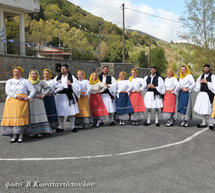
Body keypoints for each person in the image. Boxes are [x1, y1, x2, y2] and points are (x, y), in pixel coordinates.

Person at [1, 66, 35, 143]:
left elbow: (33, 90)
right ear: (13, 72)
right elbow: (7, 91)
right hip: (11, 101)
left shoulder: (25, 81)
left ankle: (20, 135)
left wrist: (28, 97)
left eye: (18, 71)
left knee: (20, 118)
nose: (16, 73)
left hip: (22, 101)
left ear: (21, 72)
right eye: (15, 71)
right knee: (13, 119)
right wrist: (16, 96)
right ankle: (14, 135)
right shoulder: (9, 81)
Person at [54, 64, 81, 133]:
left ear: (67, 69)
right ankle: (61, 127)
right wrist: (57, 83)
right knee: (60, 113)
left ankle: (72, 126)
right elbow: (52, 84)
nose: (63, 70)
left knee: (71, 112)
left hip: (69, 95)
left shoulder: (72, 77)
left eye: (64, 68)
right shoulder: (57, 77)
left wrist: (71, 84)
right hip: (60, 96)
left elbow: (78, 86)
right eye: (62, 68)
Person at [28, 69, 53, 137]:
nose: (33, 75)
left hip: (39, 101)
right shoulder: (27, 82)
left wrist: (43, 95)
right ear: (30, 75)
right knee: (32, 116)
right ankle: (32, 132)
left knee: (40, 116)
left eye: (34, 73)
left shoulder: (40, 82)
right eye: (32, 74)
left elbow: (48, 88)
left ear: (37, 75)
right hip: (31, 101)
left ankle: (41, 131)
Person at [194, 64, 215, 128]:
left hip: (209, 94)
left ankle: (211, 123)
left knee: (209, 109)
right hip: (202, 94)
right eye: (205, 68)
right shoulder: (201, 76)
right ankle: (203, 122)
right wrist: (199, 83)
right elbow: (196, 86)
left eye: (207, 68)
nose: (206, 69)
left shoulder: (212, 76)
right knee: (202, 109)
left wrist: (207, 82)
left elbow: (214, 86)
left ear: (209, 69)